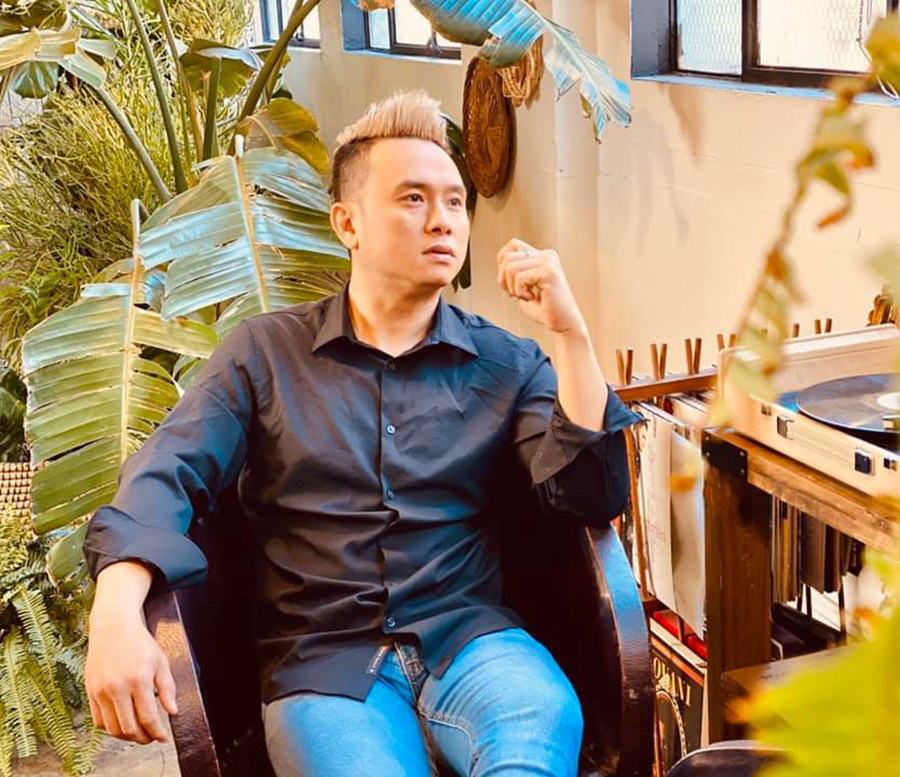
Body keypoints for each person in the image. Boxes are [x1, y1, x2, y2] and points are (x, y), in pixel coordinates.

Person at [82, 90, 640, 776]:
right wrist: (115, 610)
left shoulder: (506, 362)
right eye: (413, 199)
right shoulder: (264, 354)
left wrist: (570, 333)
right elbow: (171, 467)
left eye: (455, 201)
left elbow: (589, 493)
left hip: (472, 642)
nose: (443, 220)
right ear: (347, 223)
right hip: (325, 666)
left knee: (538, 720)